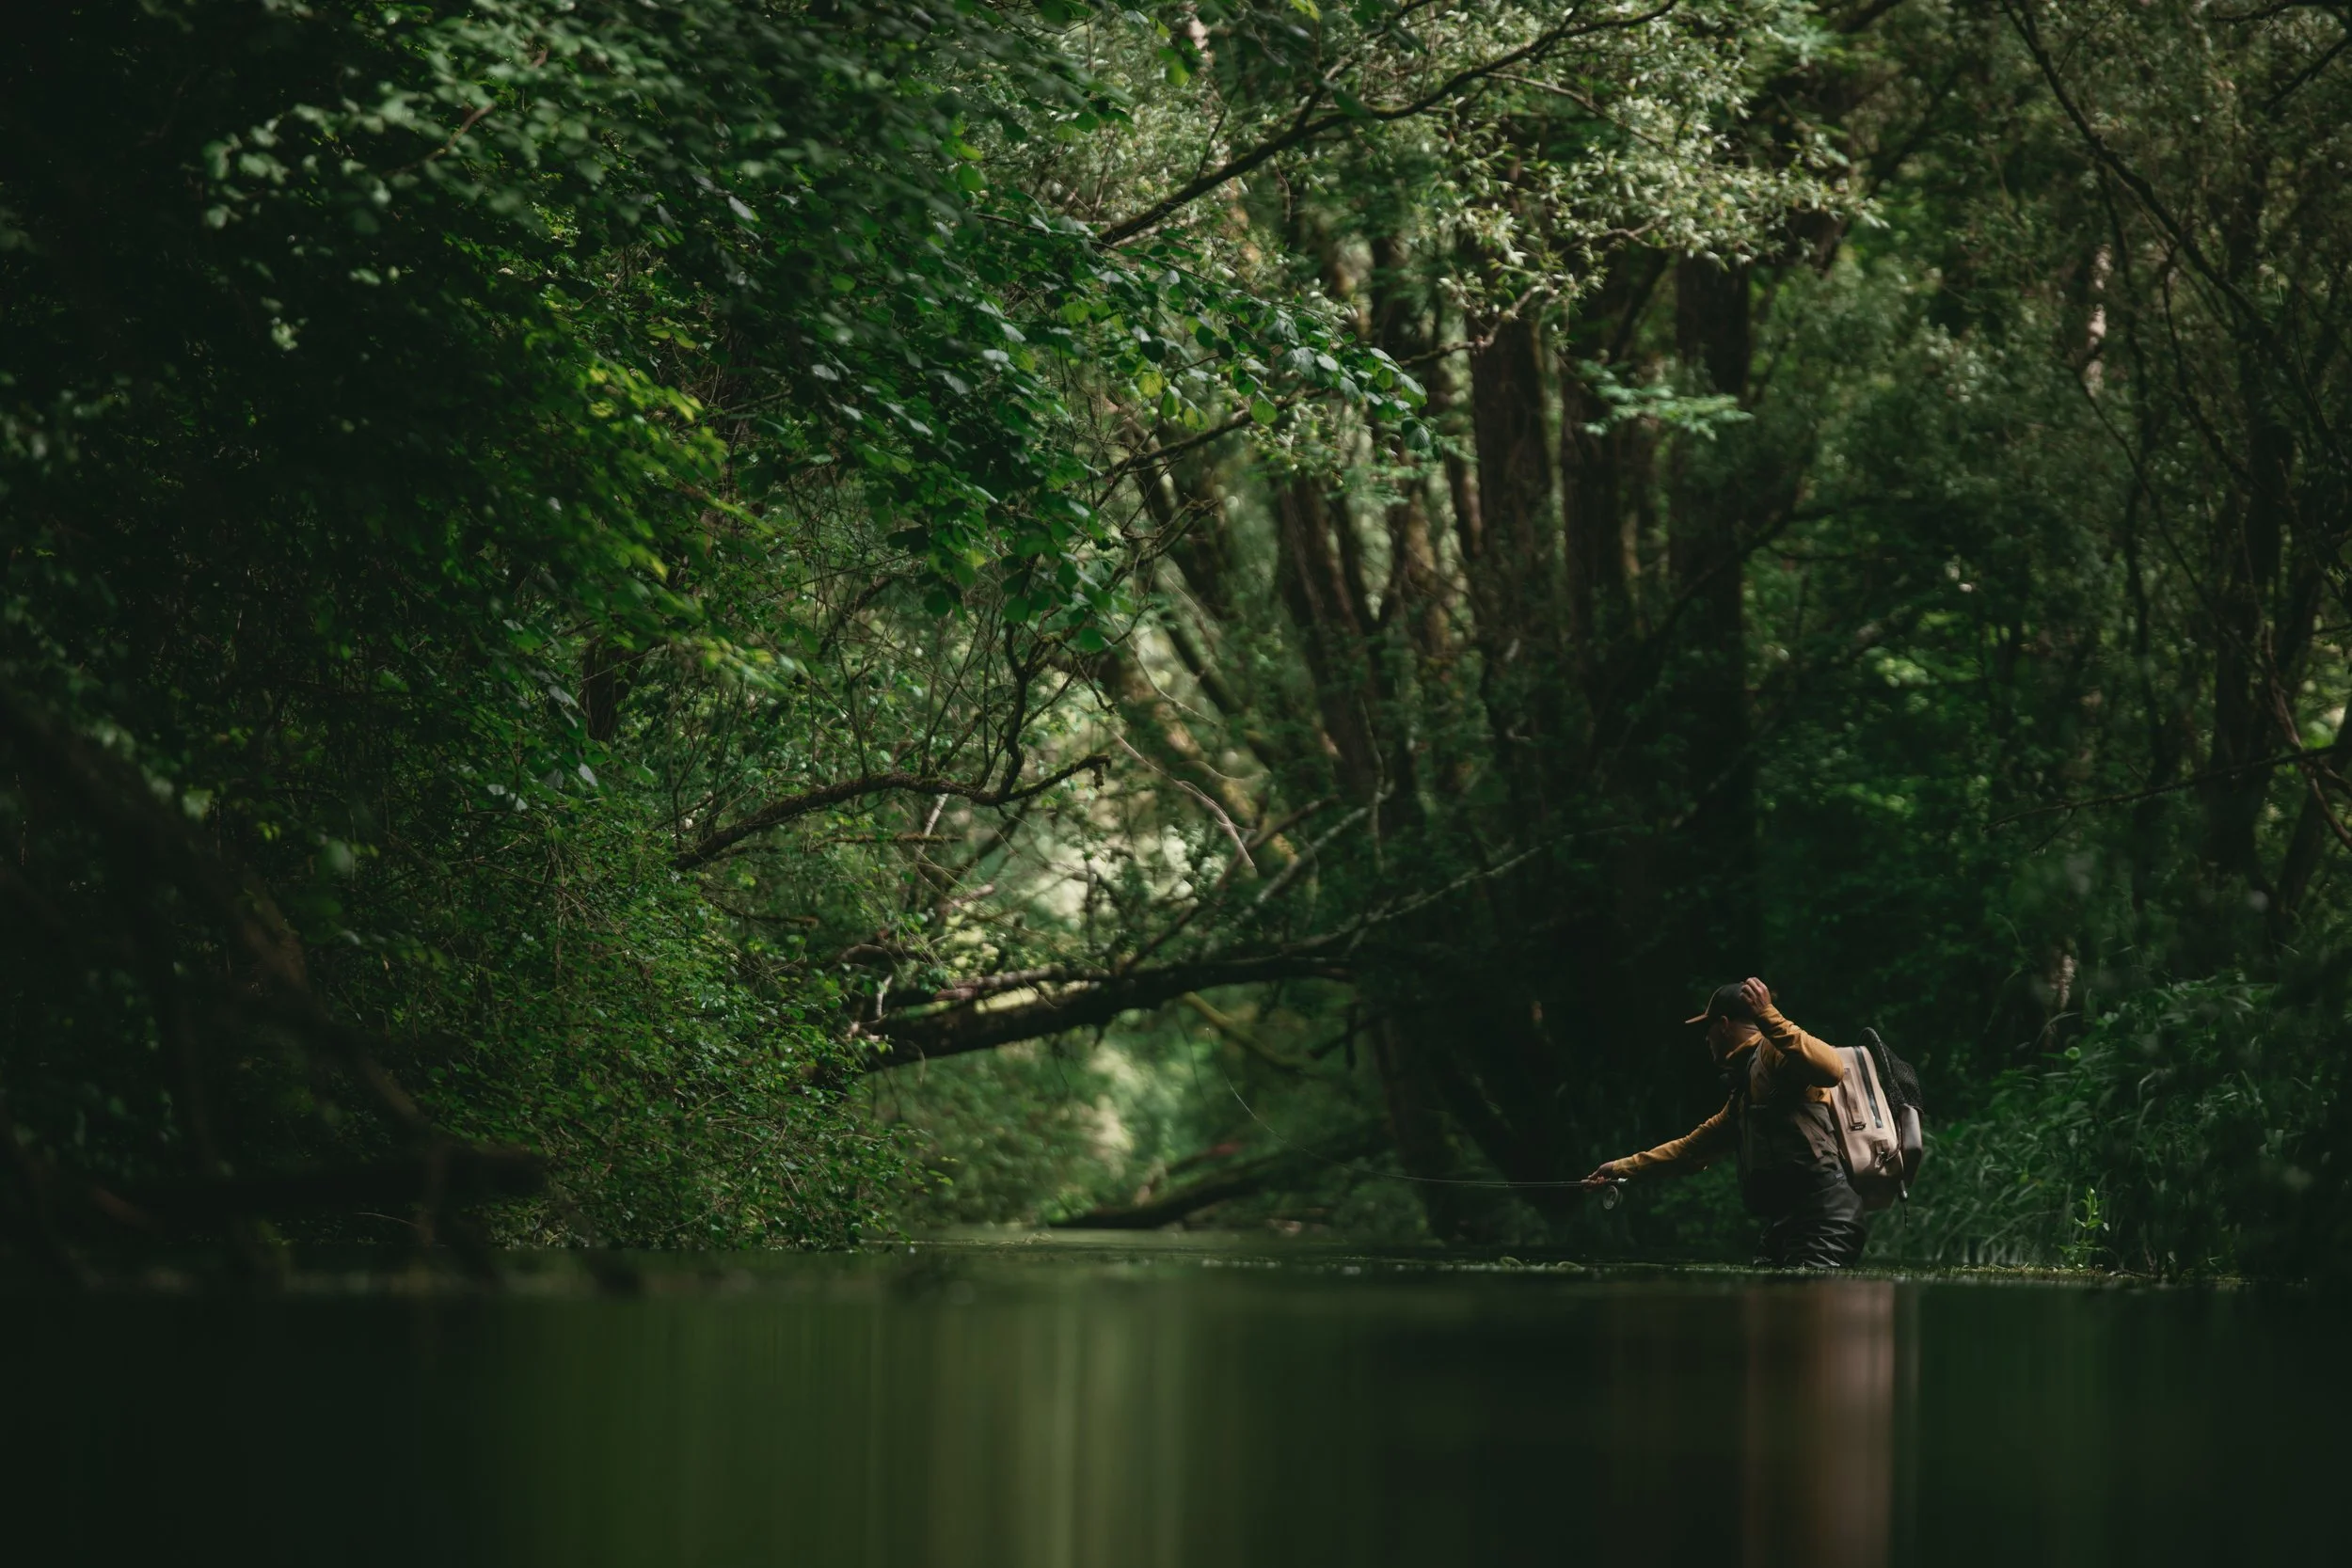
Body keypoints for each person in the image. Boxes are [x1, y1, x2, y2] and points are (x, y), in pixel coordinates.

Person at [1583, 975, 1869, 1269]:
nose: (1705, 1039)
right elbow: (1687, 1152)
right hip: (1789, 1221)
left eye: (1707, 1030)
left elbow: (1832, 1069)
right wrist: (1618, 1168)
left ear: (1723, 1025)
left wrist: (1769, 1017)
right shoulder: (1744, 1095)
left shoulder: (1773, 1051)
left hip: (1826, 1219)